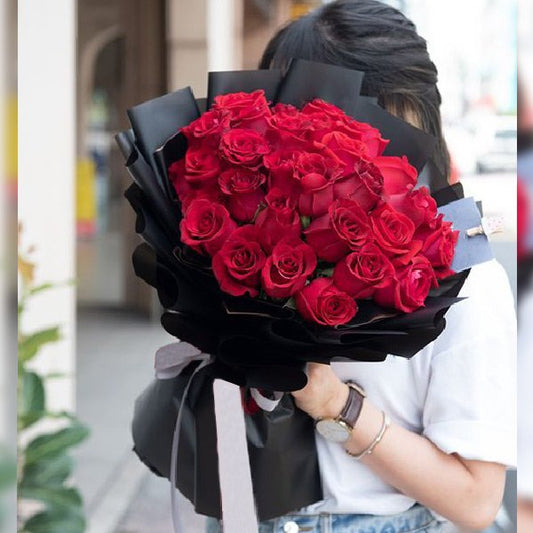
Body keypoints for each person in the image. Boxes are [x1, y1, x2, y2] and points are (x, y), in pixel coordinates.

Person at [207, 1, 516, 531]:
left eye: (378, 126)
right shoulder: (242, 243)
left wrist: (336, 404)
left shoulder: (465, 275)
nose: (344, 154)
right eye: (307, 124)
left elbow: (475, 500)